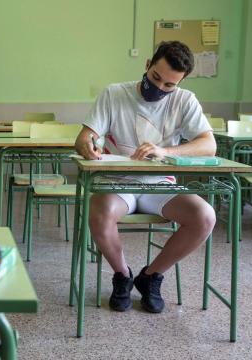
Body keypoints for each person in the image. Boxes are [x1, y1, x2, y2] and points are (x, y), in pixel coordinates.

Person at [74, 41, 216, 314]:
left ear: (181, 82)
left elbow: (208, 145)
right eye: (156, 78)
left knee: (205, 217)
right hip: (118, 182)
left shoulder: (185, 100)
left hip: (160, 184)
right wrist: (87, 145)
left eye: (169, 85)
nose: (159, 88)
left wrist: (164, 151)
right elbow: (83, 137)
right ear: (147, 64)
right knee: (99, 213)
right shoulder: (115, 94)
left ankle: (150, 277)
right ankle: (123, 276)